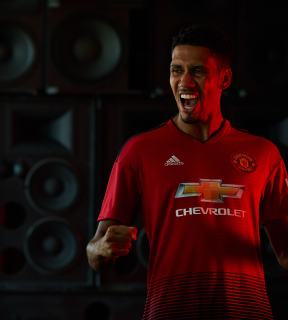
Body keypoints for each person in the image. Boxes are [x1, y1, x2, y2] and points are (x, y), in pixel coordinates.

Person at [86, 24, 288, 319]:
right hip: (170, 310)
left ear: (225, 78)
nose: (184, 81)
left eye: (197, 71)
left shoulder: (264, 154)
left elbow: (284, 252)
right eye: (176, 70)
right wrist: (100, 249)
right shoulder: (140, 151)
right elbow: (94, 252)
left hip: (246, 310)